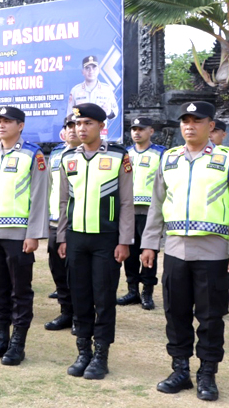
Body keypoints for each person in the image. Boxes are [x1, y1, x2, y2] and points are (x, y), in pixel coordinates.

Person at [141, 101, 229, 402]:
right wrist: (149, 243)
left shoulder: (228, 160)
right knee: (175, 313)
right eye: (185, 121)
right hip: (176, 250)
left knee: (210, 317)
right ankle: (180, 370)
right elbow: (157, 205)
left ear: (210, 125)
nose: (189, 125)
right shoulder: (169, 159)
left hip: (213, 252)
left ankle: (207, 373)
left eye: (197, 120)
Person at [56, 103, 133, 380]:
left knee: (103, 298)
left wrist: (124, 241)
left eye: (87, 123)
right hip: (76, 238)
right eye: (77, 124)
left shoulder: (118, 156)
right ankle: (83, 352)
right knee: (80, 297)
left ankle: (101, 355)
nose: (81, 128)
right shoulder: (68, 158)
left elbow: (126, 202)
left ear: (102, 126)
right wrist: (62, 237)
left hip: (106, 239)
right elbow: (65, 201)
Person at [0, 106, 48, 366]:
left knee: (20, 291)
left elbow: (39, 196)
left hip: (19, 235)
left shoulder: (32, 154)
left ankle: (17, 345)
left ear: (21, 125)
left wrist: (34, 233)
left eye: (8, 121)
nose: (1, 125)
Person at [118, 117, 165, 310]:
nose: (136, 132)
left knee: (148, 252)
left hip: (149, 211)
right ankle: (132, 290)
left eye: (141, 129)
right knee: (129, 253)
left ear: (151, 131)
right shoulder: (125, 153)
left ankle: (147, 291)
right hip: (127, 211)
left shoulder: (161, 153)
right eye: (134, 129)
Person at [43, 115, 79, 331]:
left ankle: (81, 315)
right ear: (63, 131)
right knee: (57, 269)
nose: (74, 129)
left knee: (78, 272)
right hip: (55, 223)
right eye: (69, 126)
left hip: (79, 224)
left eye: (78, 125)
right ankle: (66, 311)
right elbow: (49, 188)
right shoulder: (56, 155)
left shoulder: (91, 154)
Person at [66, 56, 119, 122]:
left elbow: (115, 113)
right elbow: (69, 115)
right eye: (87, 68)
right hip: (81, 130)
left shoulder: (107, 90)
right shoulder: (75, 91)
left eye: (94, 68)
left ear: (99, 70)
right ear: (82, 71)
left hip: (100, 131)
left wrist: (109, 112)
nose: (91, 71)